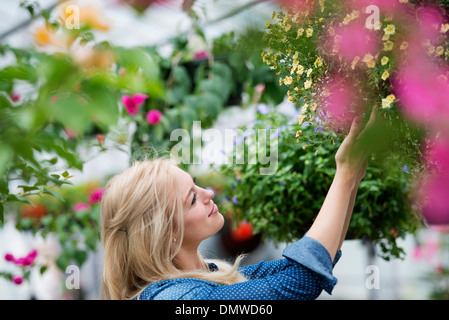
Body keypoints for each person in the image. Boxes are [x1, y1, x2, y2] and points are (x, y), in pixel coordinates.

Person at [100, 108, 376, 300]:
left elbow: (308, 268)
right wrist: (345, 173)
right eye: (192, 198)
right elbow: (300, 281)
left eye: (196, 184)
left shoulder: (210, 275)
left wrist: (351, 179)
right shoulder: (176, 297)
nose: (208, 192)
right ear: (166, 233)